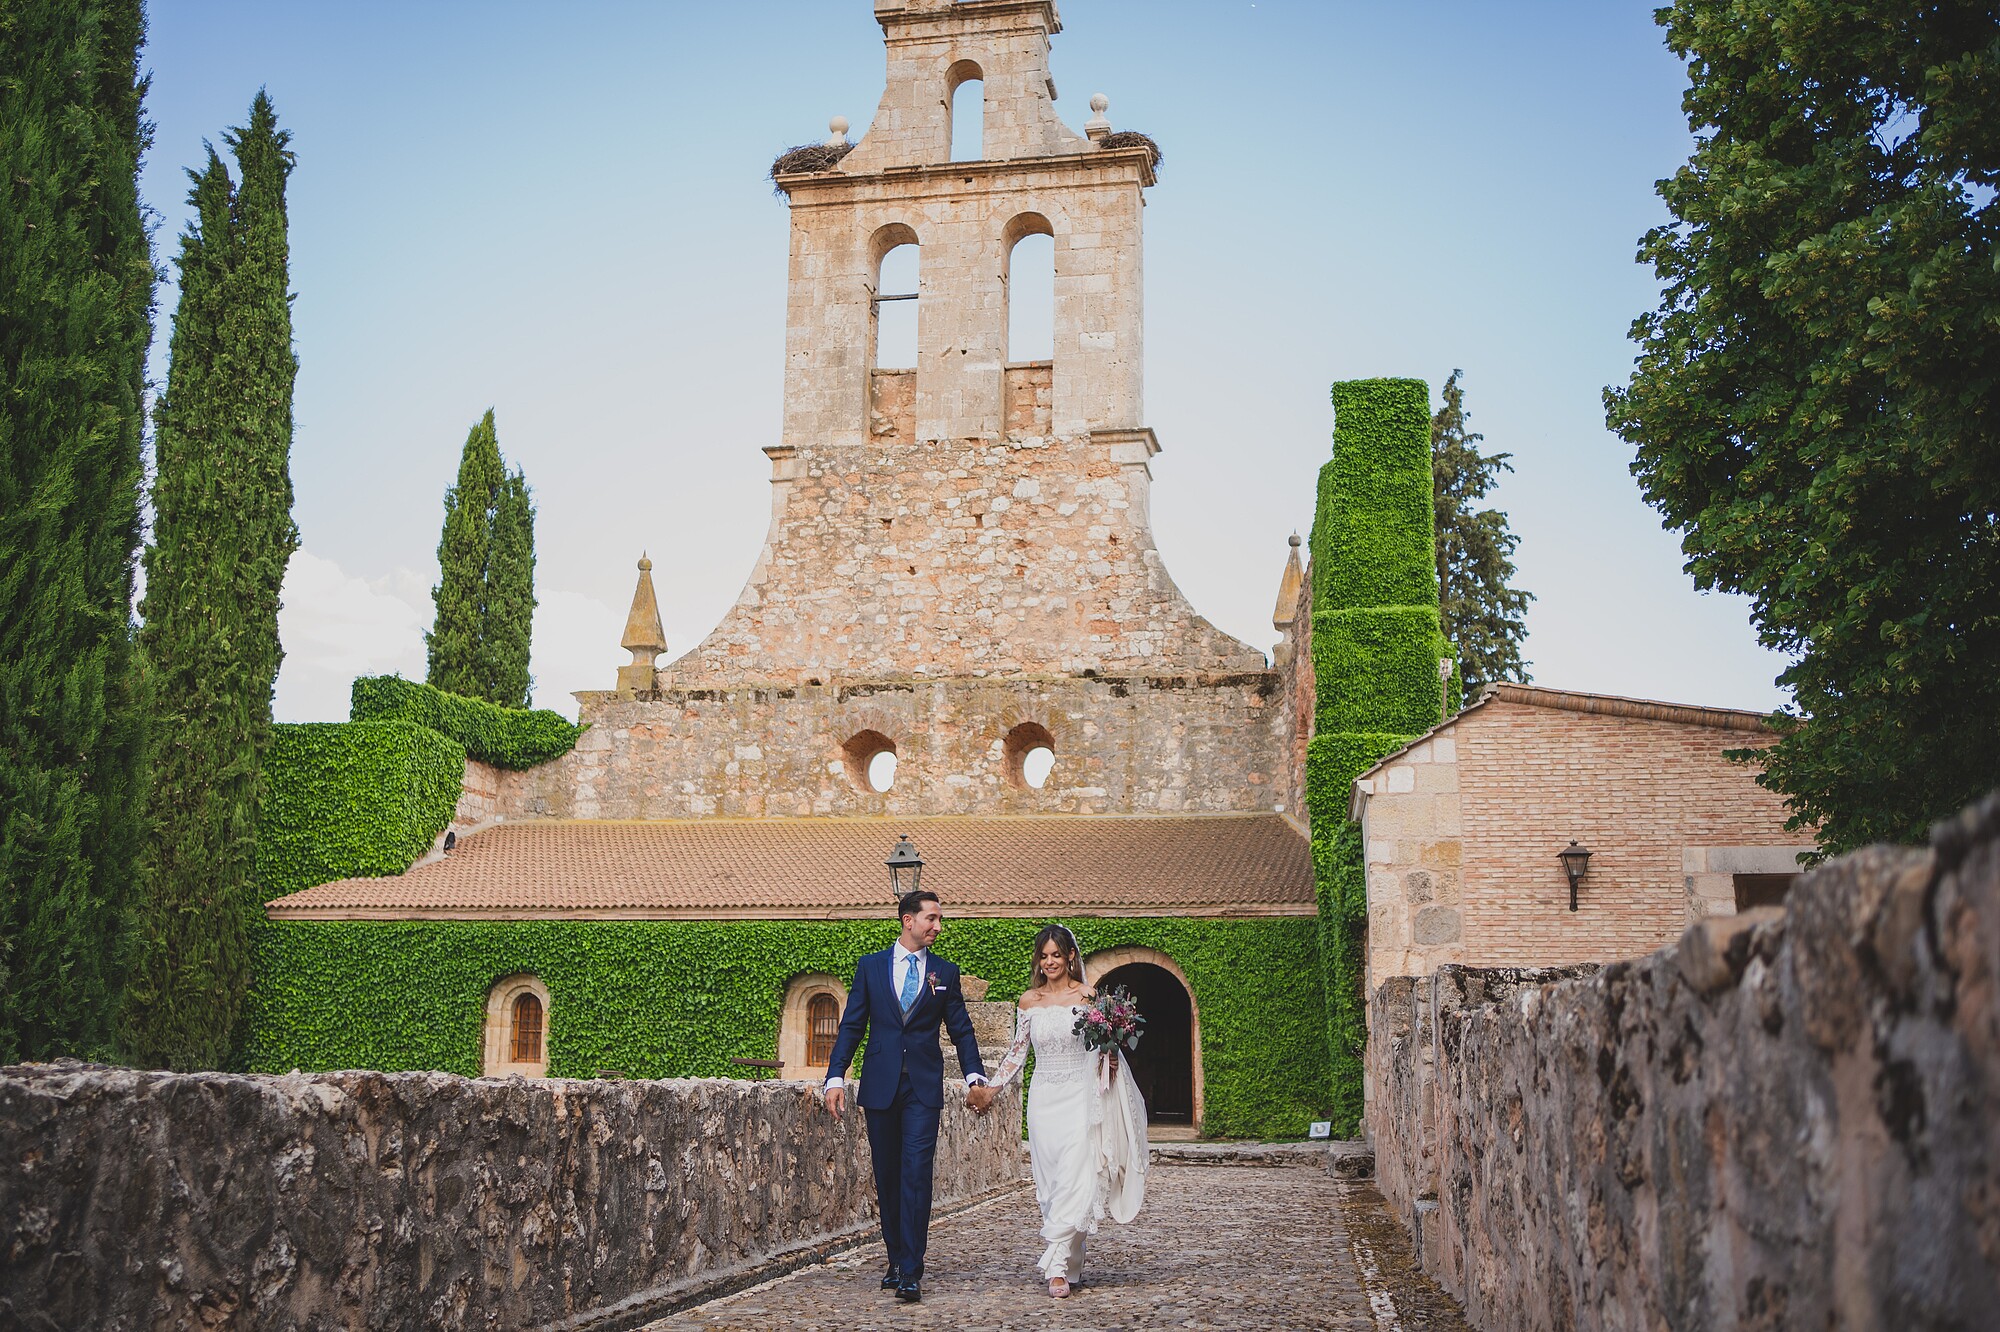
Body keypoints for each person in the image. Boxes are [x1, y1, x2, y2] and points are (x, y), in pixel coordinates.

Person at [821, 888, 988, 1304]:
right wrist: (835, 1077)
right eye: (931, 918)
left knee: (916, 1173)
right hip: (880, 1085)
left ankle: (912, 1269)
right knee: (888, 1175)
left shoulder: (945, 973)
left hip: (923, 1088)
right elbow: (852, 1026)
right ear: (907, 920)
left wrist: (973, 1077)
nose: (938, 926)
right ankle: (895, 1259)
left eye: (939, 919)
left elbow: (961, 1029)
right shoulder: (871, 967)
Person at [967, 925, 1147, 1298]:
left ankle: (1058, 1268)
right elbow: (1018, 1053)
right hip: (1045, 1100)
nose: (1050, 961)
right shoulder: (1028, 1001)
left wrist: (1110, 1062)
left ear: (1070, 957)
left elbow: (1103, 1048)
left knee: (1076, 1177)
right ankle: (1072, 1259)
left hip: (1081, 1098)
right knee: (1051, 1187)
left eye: (1056, 954)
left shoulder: (1088, 996)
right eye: (1044, 955)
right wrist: (992, 1090)